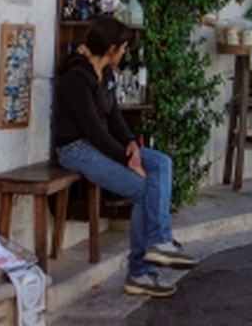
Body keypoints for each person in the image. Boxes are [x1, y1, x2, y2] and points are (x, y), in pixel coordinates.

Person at [53, 17, 196, 298]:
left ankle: (160, 241)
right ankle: (139, 272)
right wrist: (126, 159)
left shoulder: (105, 74)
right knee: (143, 190)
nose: (125, 53)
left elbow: (114, 117)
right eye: (123, 48)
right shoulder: (76, 79)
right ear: (111, 49)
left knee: (162, 162)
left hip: (103, 144)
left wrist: (131, 143)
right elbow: (93, 131)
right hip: (76, 150)